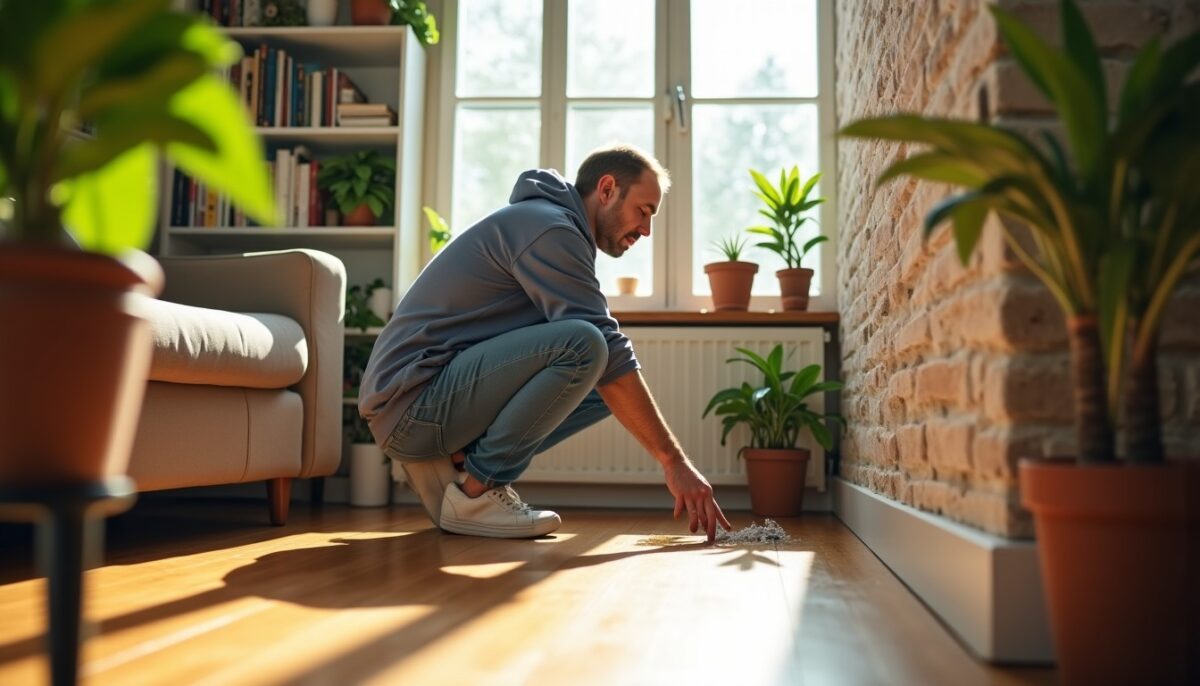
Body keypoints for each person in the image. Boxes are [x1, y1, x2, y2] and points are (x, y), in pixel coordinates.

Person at [358, 144, 732, 541]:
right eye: (644, 211)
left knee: (601, 386)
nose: (646, 229)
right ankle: (474, 494)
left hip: (427, 398)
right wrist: (673, 461)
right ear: (606, 190)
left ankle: (465, 464)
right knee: (585, 345)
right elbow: (601, 342)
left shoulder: (552, 226)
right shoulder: (550, 229)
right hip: (410, 405)